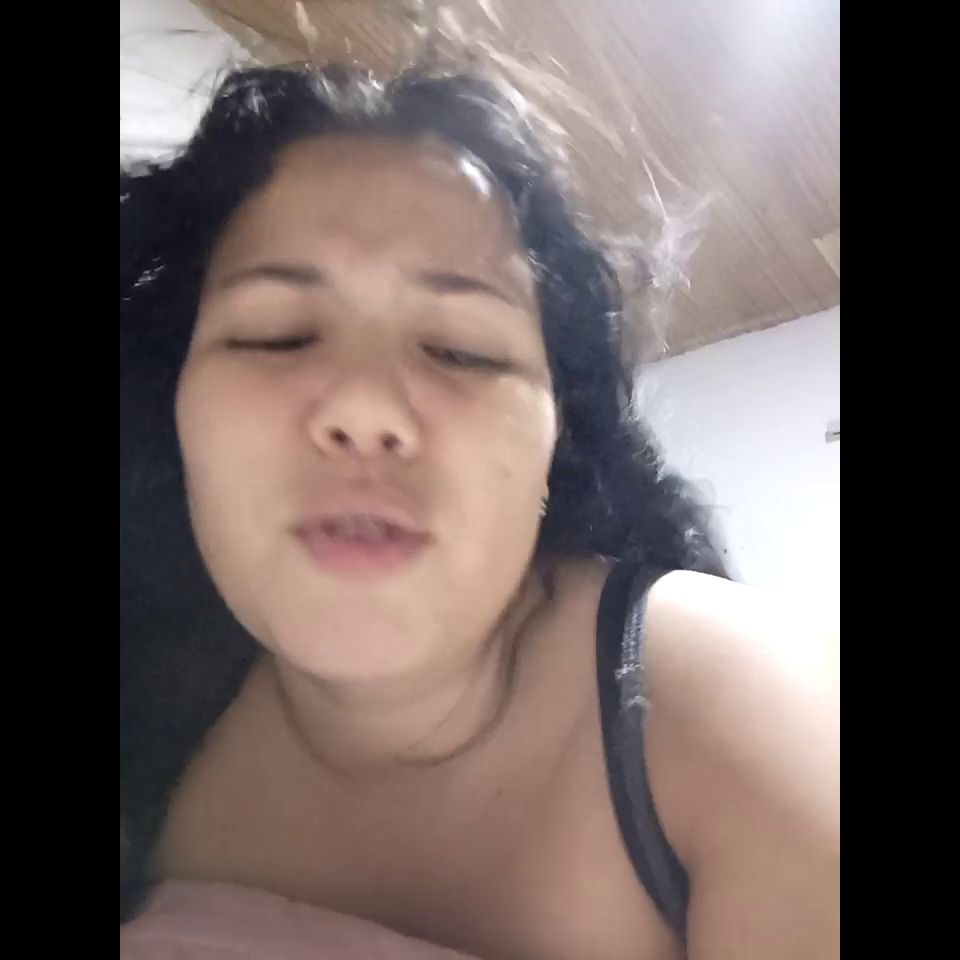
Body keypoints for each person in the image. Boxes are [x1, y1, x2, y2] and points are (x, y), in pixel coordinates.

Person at [120, 62, 839, 959]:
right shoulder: (148, 708)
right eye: (278, 336)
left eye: (462, 352)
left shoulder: (732, 701)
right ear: (173, 411)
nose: (364, 408)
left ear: (555, 443)